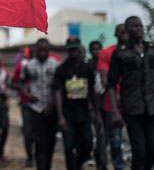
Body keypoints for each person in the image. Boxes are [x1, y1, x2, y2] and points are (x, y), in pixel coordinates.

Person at [107, 16, 154, 170]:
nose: (139, 28)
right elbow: (111, 84)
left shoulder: (151, 48)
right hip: (132, 109)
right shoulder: (120, 53)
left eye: (140, 26)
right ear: (127, 30)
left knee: (151, 150)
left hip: (152, 107)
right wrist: (115, 112)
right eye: (134, 26)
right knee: (139, 150)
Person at [54, 36, 101, 170]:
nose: (73, 52)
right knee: (69, 146)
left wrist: (96, 114)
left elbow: (92, 91)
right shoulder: (61, 69)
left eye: (75, 49)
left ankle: (78, 164)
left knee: (87, 145)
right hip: (68, 115)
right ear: (67, 51)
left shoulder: (87, 68)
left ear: (80, 49)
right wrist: (61, 117)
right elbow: (58, 93)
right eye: (71, 50)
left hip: (84, 114)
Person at [21, 38, 61, 170]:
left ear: (49, 50)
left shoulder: (56, 64)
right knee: (39, 141)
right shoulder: (28, 65)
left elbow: (59, 87)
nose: (43, 53)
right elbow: (20, 82)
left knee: (50, 141)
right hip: (35, 108)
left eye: (45, 50)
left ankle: (47, 166)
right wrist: (26, 93)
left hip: (52, 108)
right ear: (35, 50)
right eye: (40, 50)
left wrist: (53, 103)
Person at [97, 23, 127, 170]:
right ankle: (118, 167)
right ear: (116, 34)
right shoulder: (107, 53)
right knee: (115, 141)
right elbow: (105, 79)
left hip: (135, 103)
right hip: (113, 104)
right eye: (121, 32)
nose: (124, 35)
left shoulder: (142, 51)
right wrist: (116, 96)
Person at [12, 45, 36, 167]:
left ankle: (37, 154)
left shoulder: (46, 64)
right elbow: (13, 82)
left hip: (42, 104)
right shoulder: (23, 65)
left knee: (39, 132)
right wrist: (24, 91)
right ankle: (29, 157)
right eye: (30, 52)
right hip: (26, 103)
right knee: (28, 132)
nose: (32, 54)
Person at [88, 40, 107, 170]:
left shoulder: (106, 64)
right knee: (99, 133)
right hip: (93, 104)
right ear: (90, 51)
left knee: (105, 136)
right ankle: (102, 164)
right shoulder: (88, 66)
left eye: (98, 48)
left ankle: (100, 157)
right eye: (94, 49)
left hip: (106, 102)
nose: (96, 51)